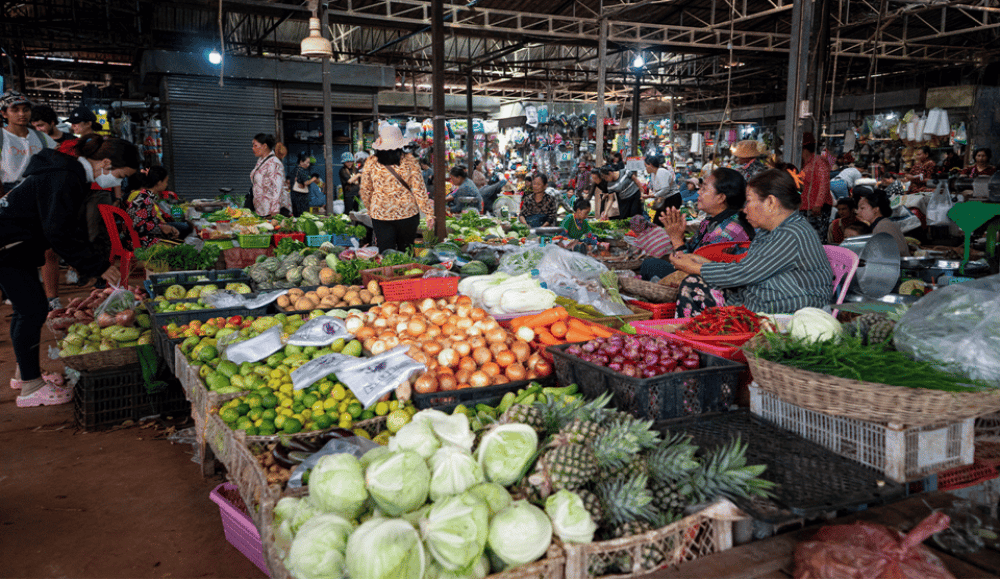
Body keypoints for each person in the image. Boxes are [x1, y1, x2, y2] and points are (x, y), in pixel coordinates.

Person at [0, 134, 138, 407]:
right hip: (7, 246)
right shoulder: (64, 177)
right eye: (120, 175)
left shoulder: (66, 172)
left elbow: (65, 228)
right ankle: (30, 388)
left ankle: (24, 374)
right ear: (106, 163)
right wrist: (99, 266)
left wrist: (94, 262)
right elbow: (58, 232)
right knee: (32, 310)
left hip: (13, 243)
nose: (119, 182)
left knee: (25, 309)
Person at [669, 169, 834, 317]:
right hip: (763, 299)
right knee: (693, 283)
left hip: (793, 310)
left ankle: (700, 344)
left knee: (692, 284)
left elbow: (744, 273)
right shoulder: (768, 231)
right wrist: (702, 263)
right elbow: (749, 268)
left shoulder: (793, 234)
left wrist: (697, 267)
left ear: (770, 202)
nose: (745, 209)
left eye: (748, 201)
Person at [639, 168, 754, 281]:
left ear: (721, 198)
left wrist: (677, 240)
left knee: (650, 265)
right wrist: (679, 236)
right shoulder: (709, 222)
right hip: (695, 278)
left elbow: (694, 271)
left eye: (704, 189)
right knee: (652, 263)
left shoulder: (729, 230)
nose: (698, 192)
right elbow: (690, 252)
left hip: (709, 288)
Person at [359, 124, 434, 253]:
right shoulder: (410, 161)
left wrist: (371, 210)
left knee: (386, 252)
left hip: (381, 215)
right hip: (407, 213)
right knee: (406, 251)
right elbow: (419, 189)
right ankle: (407, 272)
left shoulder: (371, 162)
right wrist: (428, 214)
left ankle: (389, 272)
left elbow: (366, 190)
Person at [2, 91, 57, 193]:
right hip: (8, 190)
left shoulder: (42, 137)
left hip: (39, 190)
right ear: (4, 113)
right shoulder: (2, 137)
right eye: (15, 110)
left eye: (26, 110)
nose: (22, 114)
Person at [124, 166, 191, 247]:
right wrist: (161, 228)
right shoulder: (144, 199)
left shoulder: (147, 196)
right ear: (159, 182)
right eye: (166, 181)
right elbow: (138, 226)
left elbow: (151, 220)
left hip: (147, 236)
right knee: (180, 246)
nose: (166, 184)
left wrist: (166, 227)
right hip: (140, 241)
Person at [856, 188, 910, 257]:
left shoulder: (883, 226)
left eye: (862, 208)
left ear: (875, 209)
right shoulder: (881, 224)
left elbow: (896, 253)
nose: (858, 212)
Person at [800, 132, 833, 239]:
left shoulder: (818, 161)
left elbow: (824, 183)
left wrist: (818, 204)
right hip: (806, 207)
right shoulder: (806, 164)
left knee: (816, 238)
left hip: (816, 208)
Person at [250, 133, 290, 217]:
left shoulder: (274, 162)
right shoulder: (261, 161)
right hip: (262, 209)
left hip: (272, 211)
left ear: (264, 146)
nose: (253, 148)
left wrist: (275, 210)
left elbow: (277, 187)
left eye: (255, 145)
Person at [645, 155, 680, 225]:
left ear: (651, 165)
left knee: (665, 221)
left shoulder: (661, 172)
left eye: (646, 166)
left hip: (672, 199)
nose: (645, 168)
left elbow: (665, 189)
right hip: (666, 199)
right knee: (660, 221)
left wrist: (653, 196)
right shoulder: (653, 174)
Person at [290, 152, 318, 217]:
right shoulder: (301, 170)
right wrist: (313, 179)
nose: (308, 164)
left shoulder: (295, 169)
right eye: (307, 162)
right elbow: (306, 183)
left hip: (295, 196)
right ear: (301, 162)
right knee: (302, 215)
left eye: (309, 163)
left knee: (296, 215)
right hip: (301, 198)